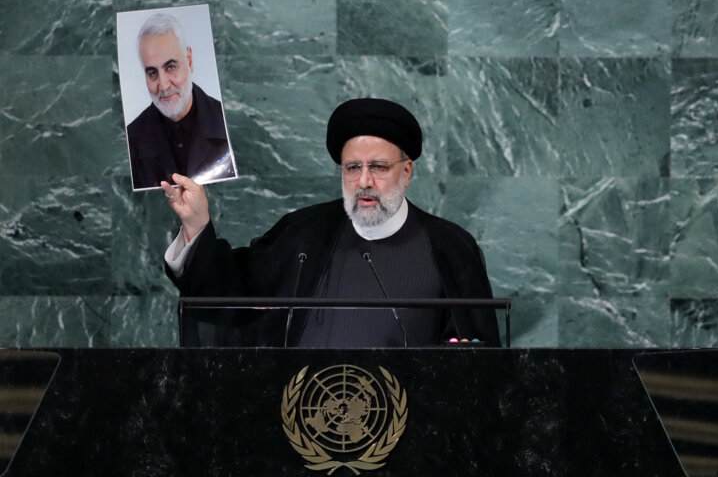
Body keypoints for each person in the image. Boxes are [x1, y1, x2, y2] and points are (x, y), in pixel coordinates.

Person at [162, 98, 500, 348]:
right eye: (353, 168)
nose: (365, 181)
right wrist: (197, 223)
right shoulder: (303, 235)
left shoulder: (449, 247)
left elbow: (478, 363)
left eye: (379, 167)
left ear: (406, 172)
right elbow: (231, 295)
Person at [126, 13, 235, 190]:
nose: (163, 85)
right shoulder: (131, 141)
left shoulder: (228, 122)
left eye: (170, 67)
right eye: (152, 73)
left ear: (189, 61)